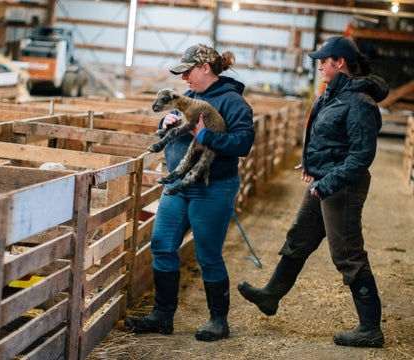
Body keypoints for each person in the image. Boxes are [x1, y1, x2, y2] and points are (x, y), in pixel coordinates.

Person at [238, 35, 389, 348]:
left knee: (347, 254)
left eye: (324, 61)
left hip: (342, 186)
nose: (320, 66)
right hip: (323, 181)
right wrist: (310, 163)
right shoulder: (330, 95)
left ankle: (370, 328)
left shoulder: (359, 102)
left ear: (340, 62)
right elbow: (323, 135)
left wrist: (329, 182)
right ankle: (271, 295)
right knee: (299, 238)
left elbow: (361, 155)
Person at [124, 44, 255, 341]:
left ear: (205, 68)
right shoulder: (190, 97)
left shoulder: (233, 102)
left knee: (207, 254)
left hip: (213, 187)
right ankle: (162, 315)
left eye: (188, 72)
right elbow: (176, 126)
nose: (184, 78)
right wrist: (165, 122)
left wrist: (204, 136)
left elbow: (243, 143)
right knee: (161, 244)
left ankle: (218, 320)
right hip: (178, 185)